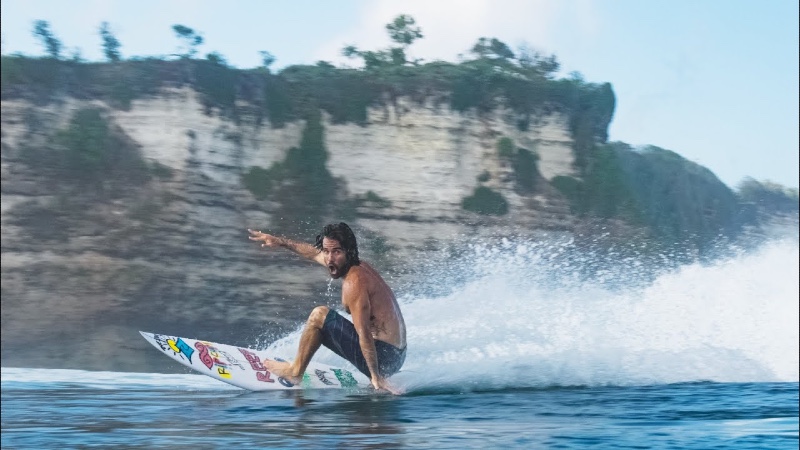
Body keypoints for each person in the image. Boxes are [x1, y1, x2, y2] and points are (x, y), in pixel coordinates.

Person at [248, 222, 406, 394]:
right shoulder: (354, 264)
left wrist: (376, 377)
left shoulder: (355, 283)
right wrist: (280, 241)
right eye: (326, 251)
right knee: (325, 322)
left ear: (348, 251)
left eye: (336, 252)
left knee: (319, 316)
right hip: (397, 355)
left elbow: (365, 334)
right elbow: (314, 253)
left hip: (384, 359)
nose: (329, 258)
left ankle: (294, 372)